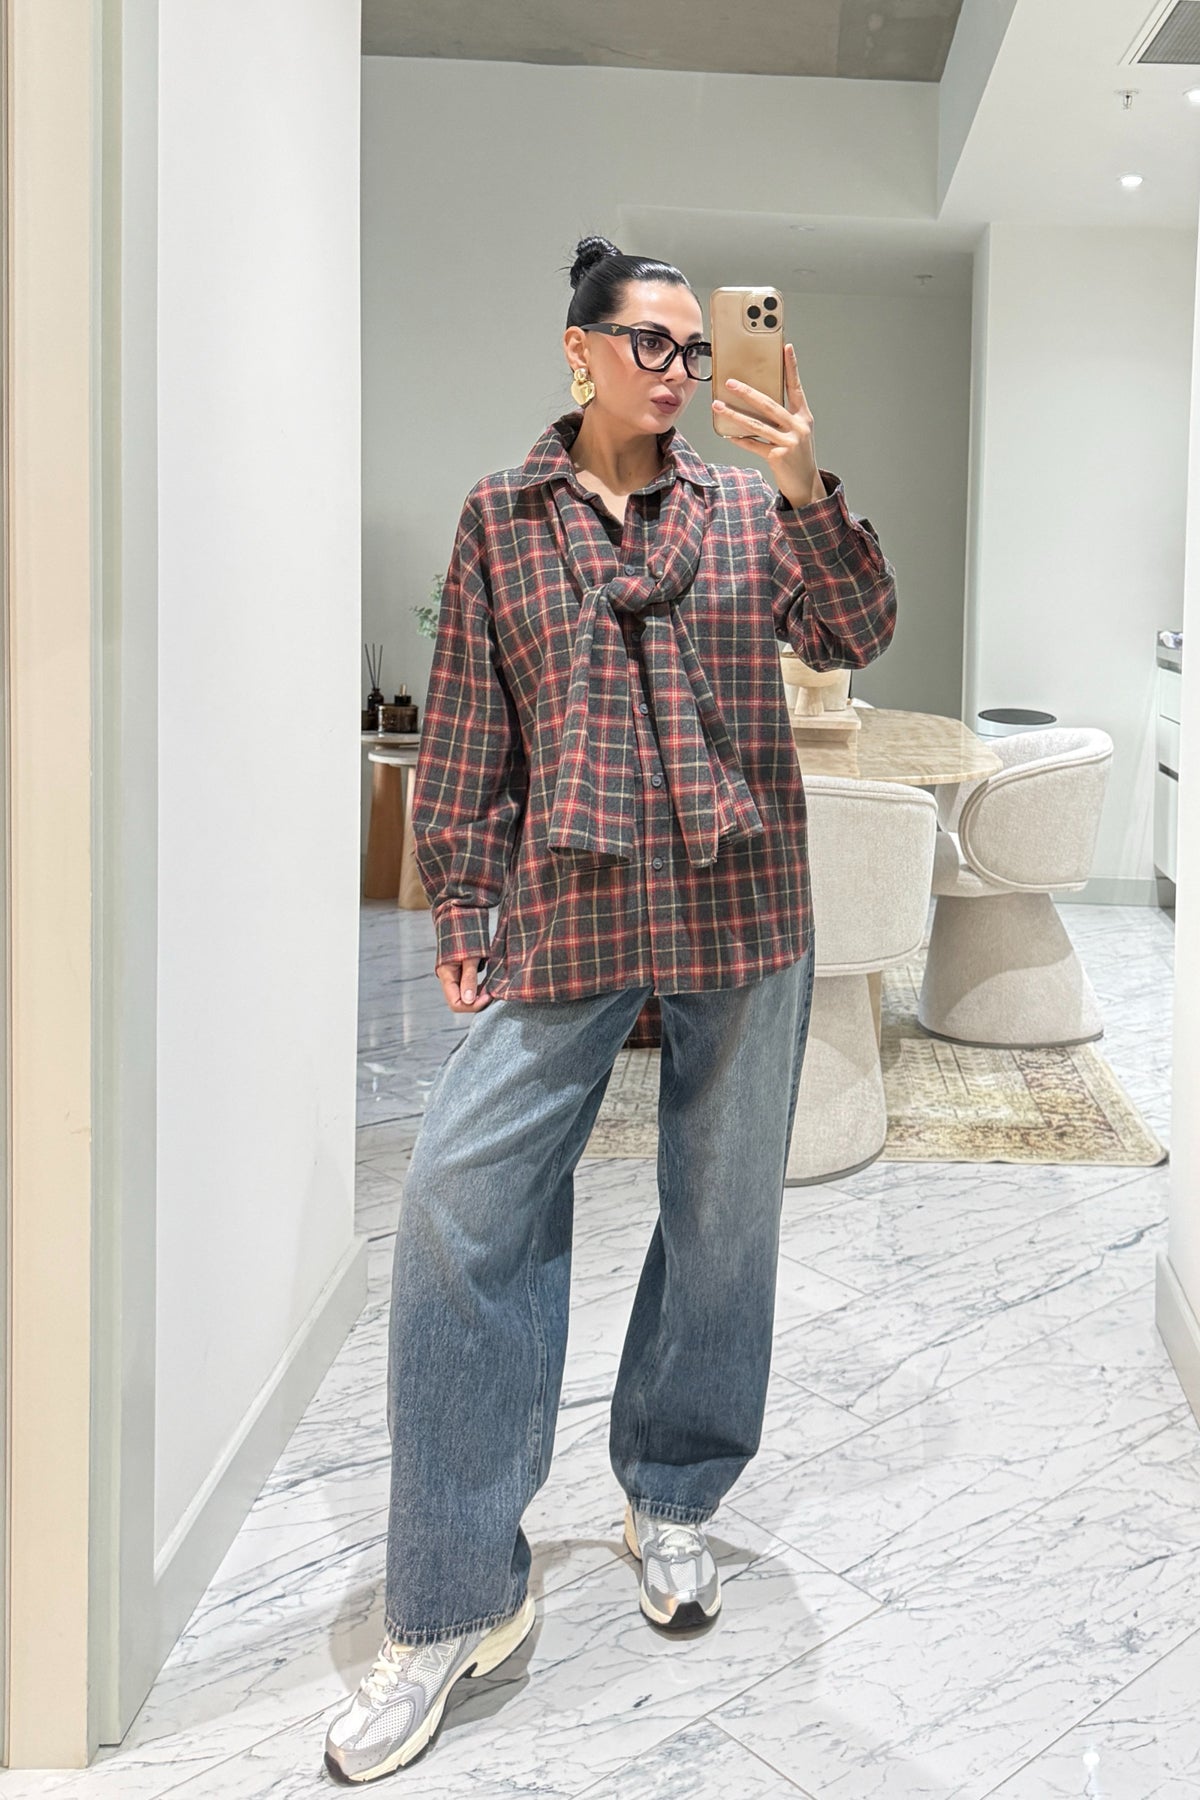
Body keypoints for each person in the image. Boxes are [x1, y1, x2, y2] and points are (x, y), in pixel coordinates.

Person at [324, 235, 897, 1784]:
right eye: (652, 341)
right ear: (576, 349)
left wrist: (801, 476)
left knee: (721, 1217)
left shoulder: (742, 508)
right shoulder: (501, 518)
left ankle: (677, 1494)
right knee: (462, 1211)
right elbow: (469, 723)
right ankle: (458, 1596)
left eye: (697, 348)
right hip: (572, 900)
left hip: (742, 902)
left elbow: (855, 630)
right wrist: (460, 896)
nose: (680, 370)